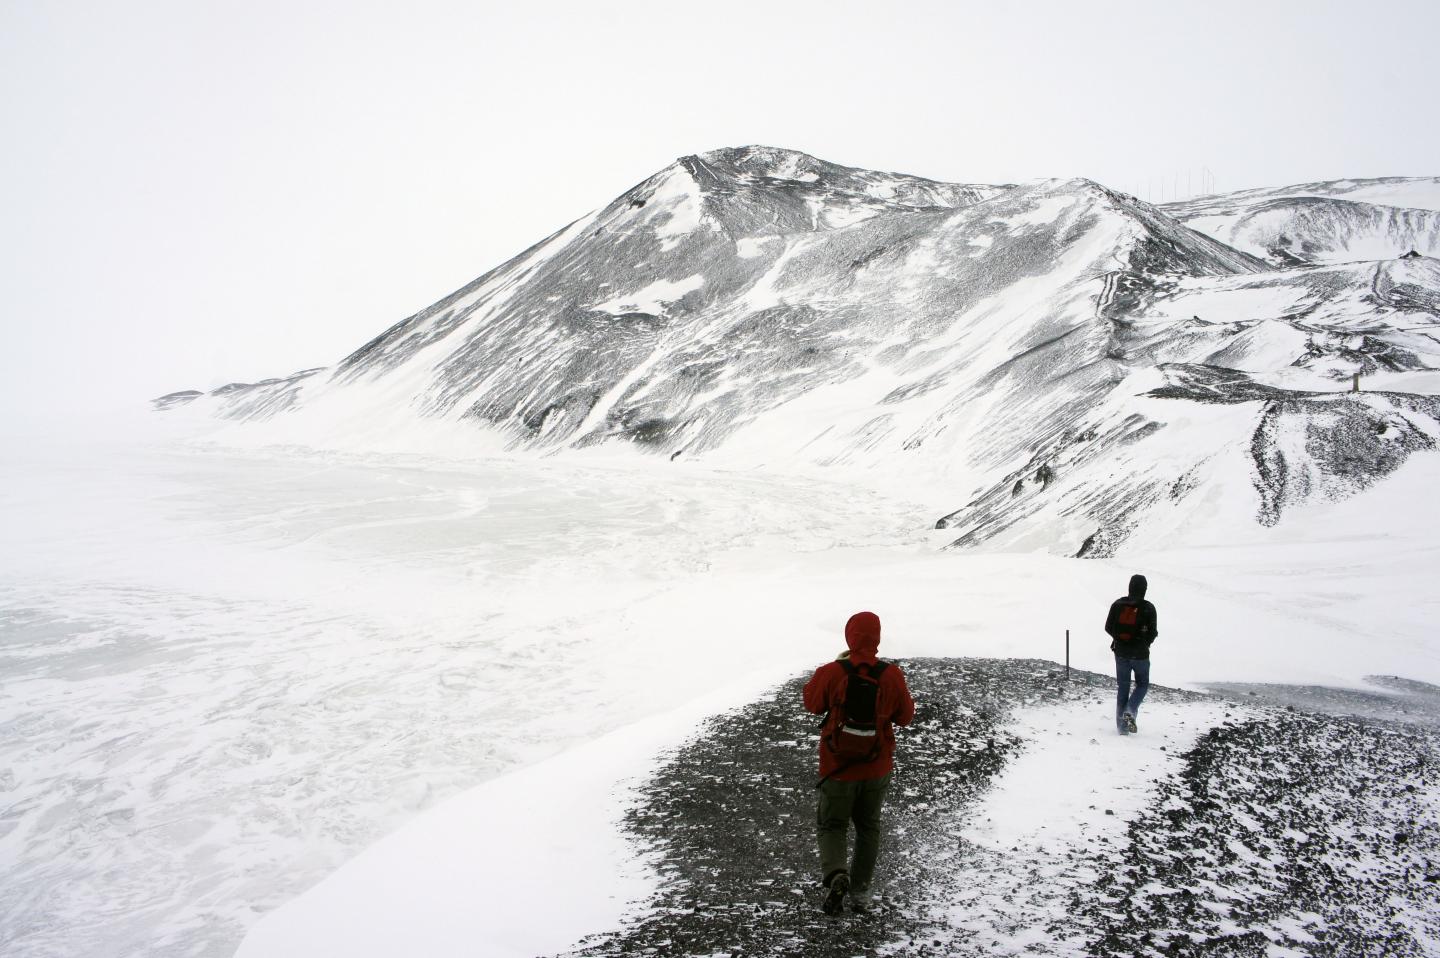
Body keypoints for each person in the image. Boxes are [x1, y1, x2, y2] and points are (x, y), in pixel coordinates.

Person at [802, 611, 915, 916]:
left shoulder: (832, 671)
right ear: (877, 638)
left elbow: (812, 703)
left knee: (832, 824)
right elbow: (905, 717)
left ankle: (837, 874)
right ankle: (861, 893)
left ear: (849, 637)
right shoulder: (891, 675)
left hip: (837, 769)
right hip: (876, 767)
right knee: (868, 827)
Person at [1104, 574, 1158, 735]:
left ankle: (1122, 729)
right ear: (1144, 589)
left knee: (1123, 686)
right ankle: (1131, 710)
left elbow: (1108, 627)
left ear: (1130, 587)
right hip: (1140, 654)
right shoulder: (1148, 607)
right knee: (1142, 684)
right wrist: (1144, 643)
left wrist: (1119, 639)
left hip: (1120, 653)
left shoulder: (1118, 604)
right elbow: (1153, 632)